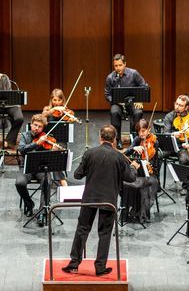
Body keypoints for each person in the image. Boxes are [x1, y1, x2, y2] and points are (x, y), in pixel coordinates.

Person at [62, 125, 139, 276]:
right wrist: (133, 167)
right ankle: (100, 267)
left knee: (82, 229)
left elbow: (77, 175)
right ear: (115, 139)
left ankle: (73, 264)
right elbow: (130, 178)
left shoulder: (90, 153)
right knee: (104, 233)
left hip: (89, 198)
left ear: (100, 137)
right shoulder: (119, 157)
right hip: (108, 201)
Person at [16, 114, 67, 226]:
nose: (37, 128)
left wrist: (55, 151)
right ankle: (29, 204)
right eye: (35, 125)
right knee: (19, 183)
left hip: (41, 168)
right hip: (26, 168)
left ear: (43, 128)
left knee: (47, 183)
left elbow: (53, 158)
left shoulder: (47, 138)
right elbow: (22, 149)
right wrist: (36, 143)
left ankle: (42, 212)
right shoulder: (25, 136)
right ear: (31, 124)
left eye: (40, 126)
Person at [121, 119, 161, 223]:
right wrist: (134, 148)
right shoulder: (138, 139)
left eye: (143, 130)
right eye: (139, 131)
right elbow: (126, 153)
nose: (141, 133)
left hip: (151, 173)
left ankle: (140, 213)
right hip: (139, 172)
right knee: (127, 182)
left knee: (147, 185)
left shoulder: (155, 141)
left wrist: (149, 164)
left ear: (149, 130)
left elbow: (156, 164)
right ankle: (129, 211)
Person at [104, 54, 147, 148]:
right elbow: (107, 94)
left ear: (125, 64)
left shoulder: (134, 73)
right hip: (118, 103)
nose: (118, 68)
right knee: (114, 112)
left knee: (138, 112)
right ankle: (117, 139)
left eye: (120, 65)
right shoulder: (110, 78)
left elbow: (144, 86)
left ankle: (135, 138)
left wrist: (139, 100)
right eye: (116, 66)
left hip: (133, 102)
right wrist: (115, 100)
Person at [161, 94, 189, 166]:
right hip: (170, 145)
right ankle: (155, 176)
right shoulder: (169, 116)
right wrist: (173, 134)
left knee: (184, 160)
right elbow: (165, 133)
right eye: (176, 104)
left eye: (180, 105)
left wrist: (188, 144)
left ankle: (182, 177)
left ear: (186, 107)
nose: (177, 107)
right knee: (157, 154)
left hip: (183, 147)